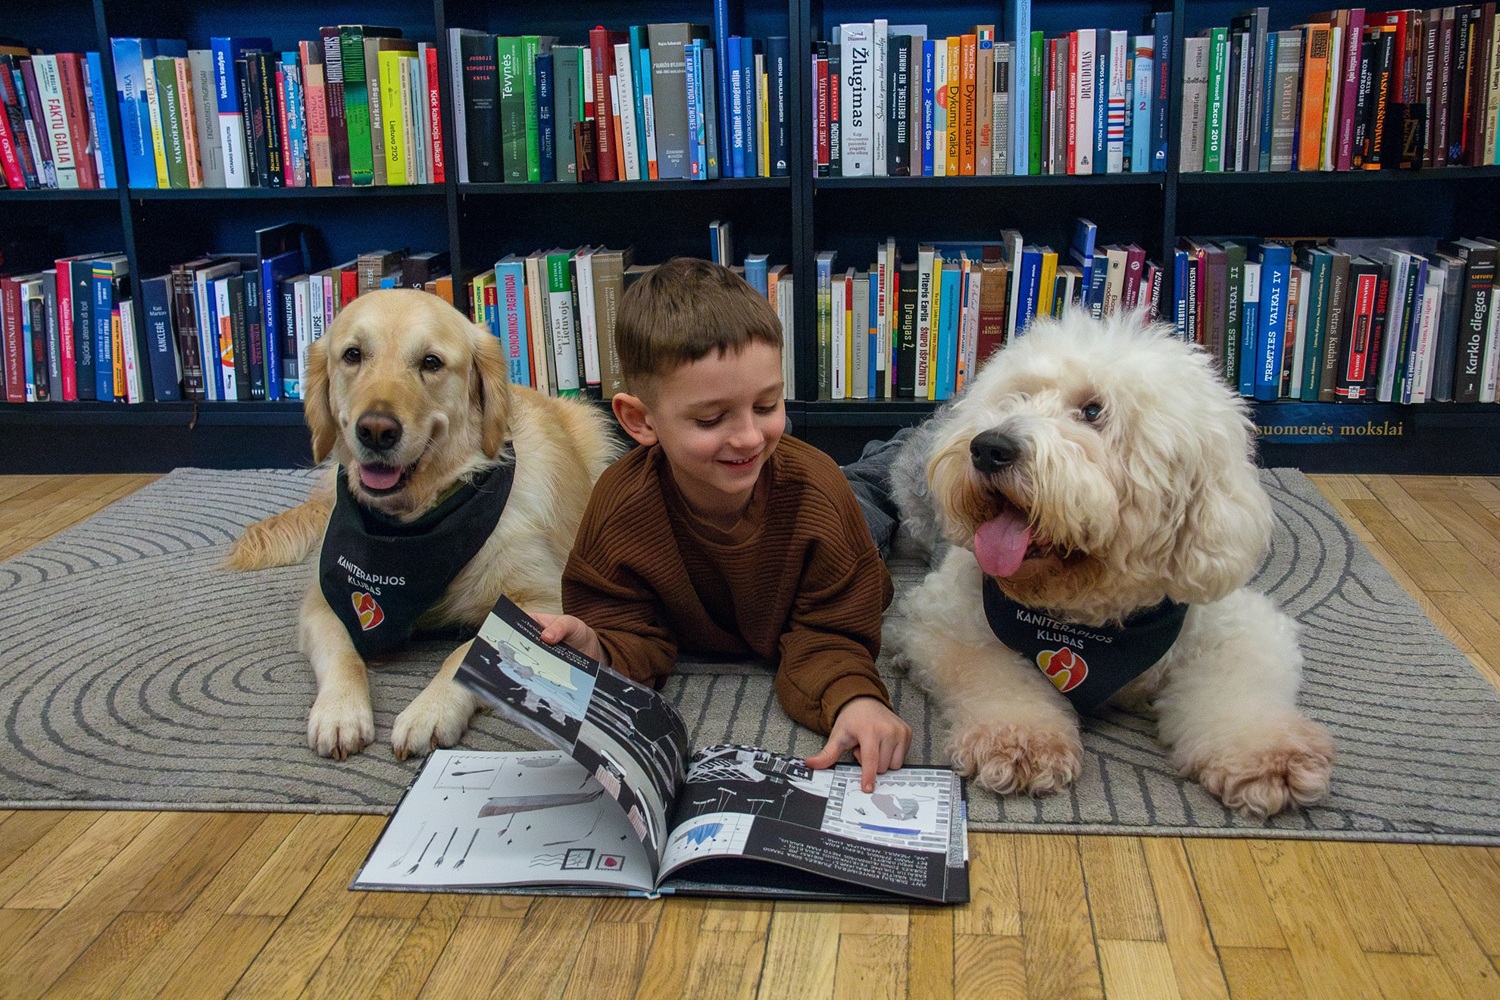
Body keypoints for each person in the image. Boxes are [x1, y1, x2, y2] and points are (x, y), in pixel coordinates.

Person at [533, 257, 911, 792]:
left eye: (767, 405)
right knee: (860, 481)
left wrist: (856, 697)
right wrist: (594, 646)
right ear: (640, 421)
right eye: (711, 420)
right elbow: (624, 626)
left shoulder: (817, 495)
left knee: (882, 489)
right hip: (788, 510)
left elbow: (834, 627)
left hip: (835, 519)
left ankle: (907, 443)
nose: (749, 437)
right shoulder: (619, 506)